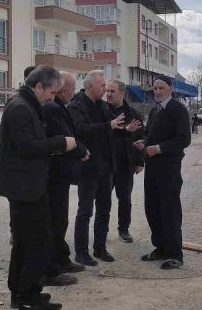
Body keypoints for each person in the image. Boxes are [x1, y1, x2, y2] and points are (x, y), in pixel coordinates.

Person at [0, 65, 71, 310]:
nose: (53, 97)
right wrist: (61, 143)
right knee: (35, 243)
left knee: (26, 244)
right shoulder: (20, 107)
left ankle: (24, 293)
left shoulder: (27, 104)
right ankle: (26, 296)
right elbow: (27, 146)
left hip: (29, 186)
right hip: (24, 189)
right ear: (39, 86)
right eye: (52, 92)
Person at [67, 71, 139, 266]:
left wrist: (125, 131)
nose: (105, 90)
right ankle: (81, 252)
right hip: (88, 167)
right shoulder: (76, 106)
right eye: (102, 86)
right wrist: (109, 125)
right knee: (85, 211)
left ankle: (100, 248)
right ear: (90, 86)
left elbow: (111, 131)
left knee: (104, 209)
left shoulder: (102, 106)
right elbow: (81, 130)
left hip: (106, 167)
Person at [134, 76, 192, 270]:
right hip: (152, 168)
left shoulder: (178, 109)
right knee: (153, 208)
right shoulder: (154, 111)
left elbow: (184, 139)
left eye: (161, 88)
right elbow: (149, 134)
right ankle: (160, 248)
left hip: (169, 169)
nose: (157, 92)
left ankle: (175, 254)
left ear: (170, 89)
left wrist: (158, 149)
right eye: (155, 88)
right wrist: (143, 142)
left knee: (169, 210)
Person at [41, 71, 90, 287]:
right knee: (56, 220)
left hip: (58, 174)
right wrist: (81, 151)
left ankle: (62, 259)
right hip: (54, 174)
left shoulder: (58, 107)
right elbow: (65, 137)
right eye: (71, 89)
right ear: (63, 90)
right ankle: (52, 268)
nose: (72, 93)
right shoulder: (53, 108)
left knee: (60, 218)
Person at [105, 79, 144, 243]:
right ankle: (102, 231)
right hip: (106, 163)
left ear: (122, 93)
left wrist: (140, 161)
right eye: (107, 91)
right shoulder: (101, 111)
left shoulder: (133, 114)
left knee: (125, 199)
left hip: (125, 163)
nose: (108, 94)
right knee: (103, 200)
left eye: (112, 91)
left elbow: (140, 139)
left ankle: (124, 229)